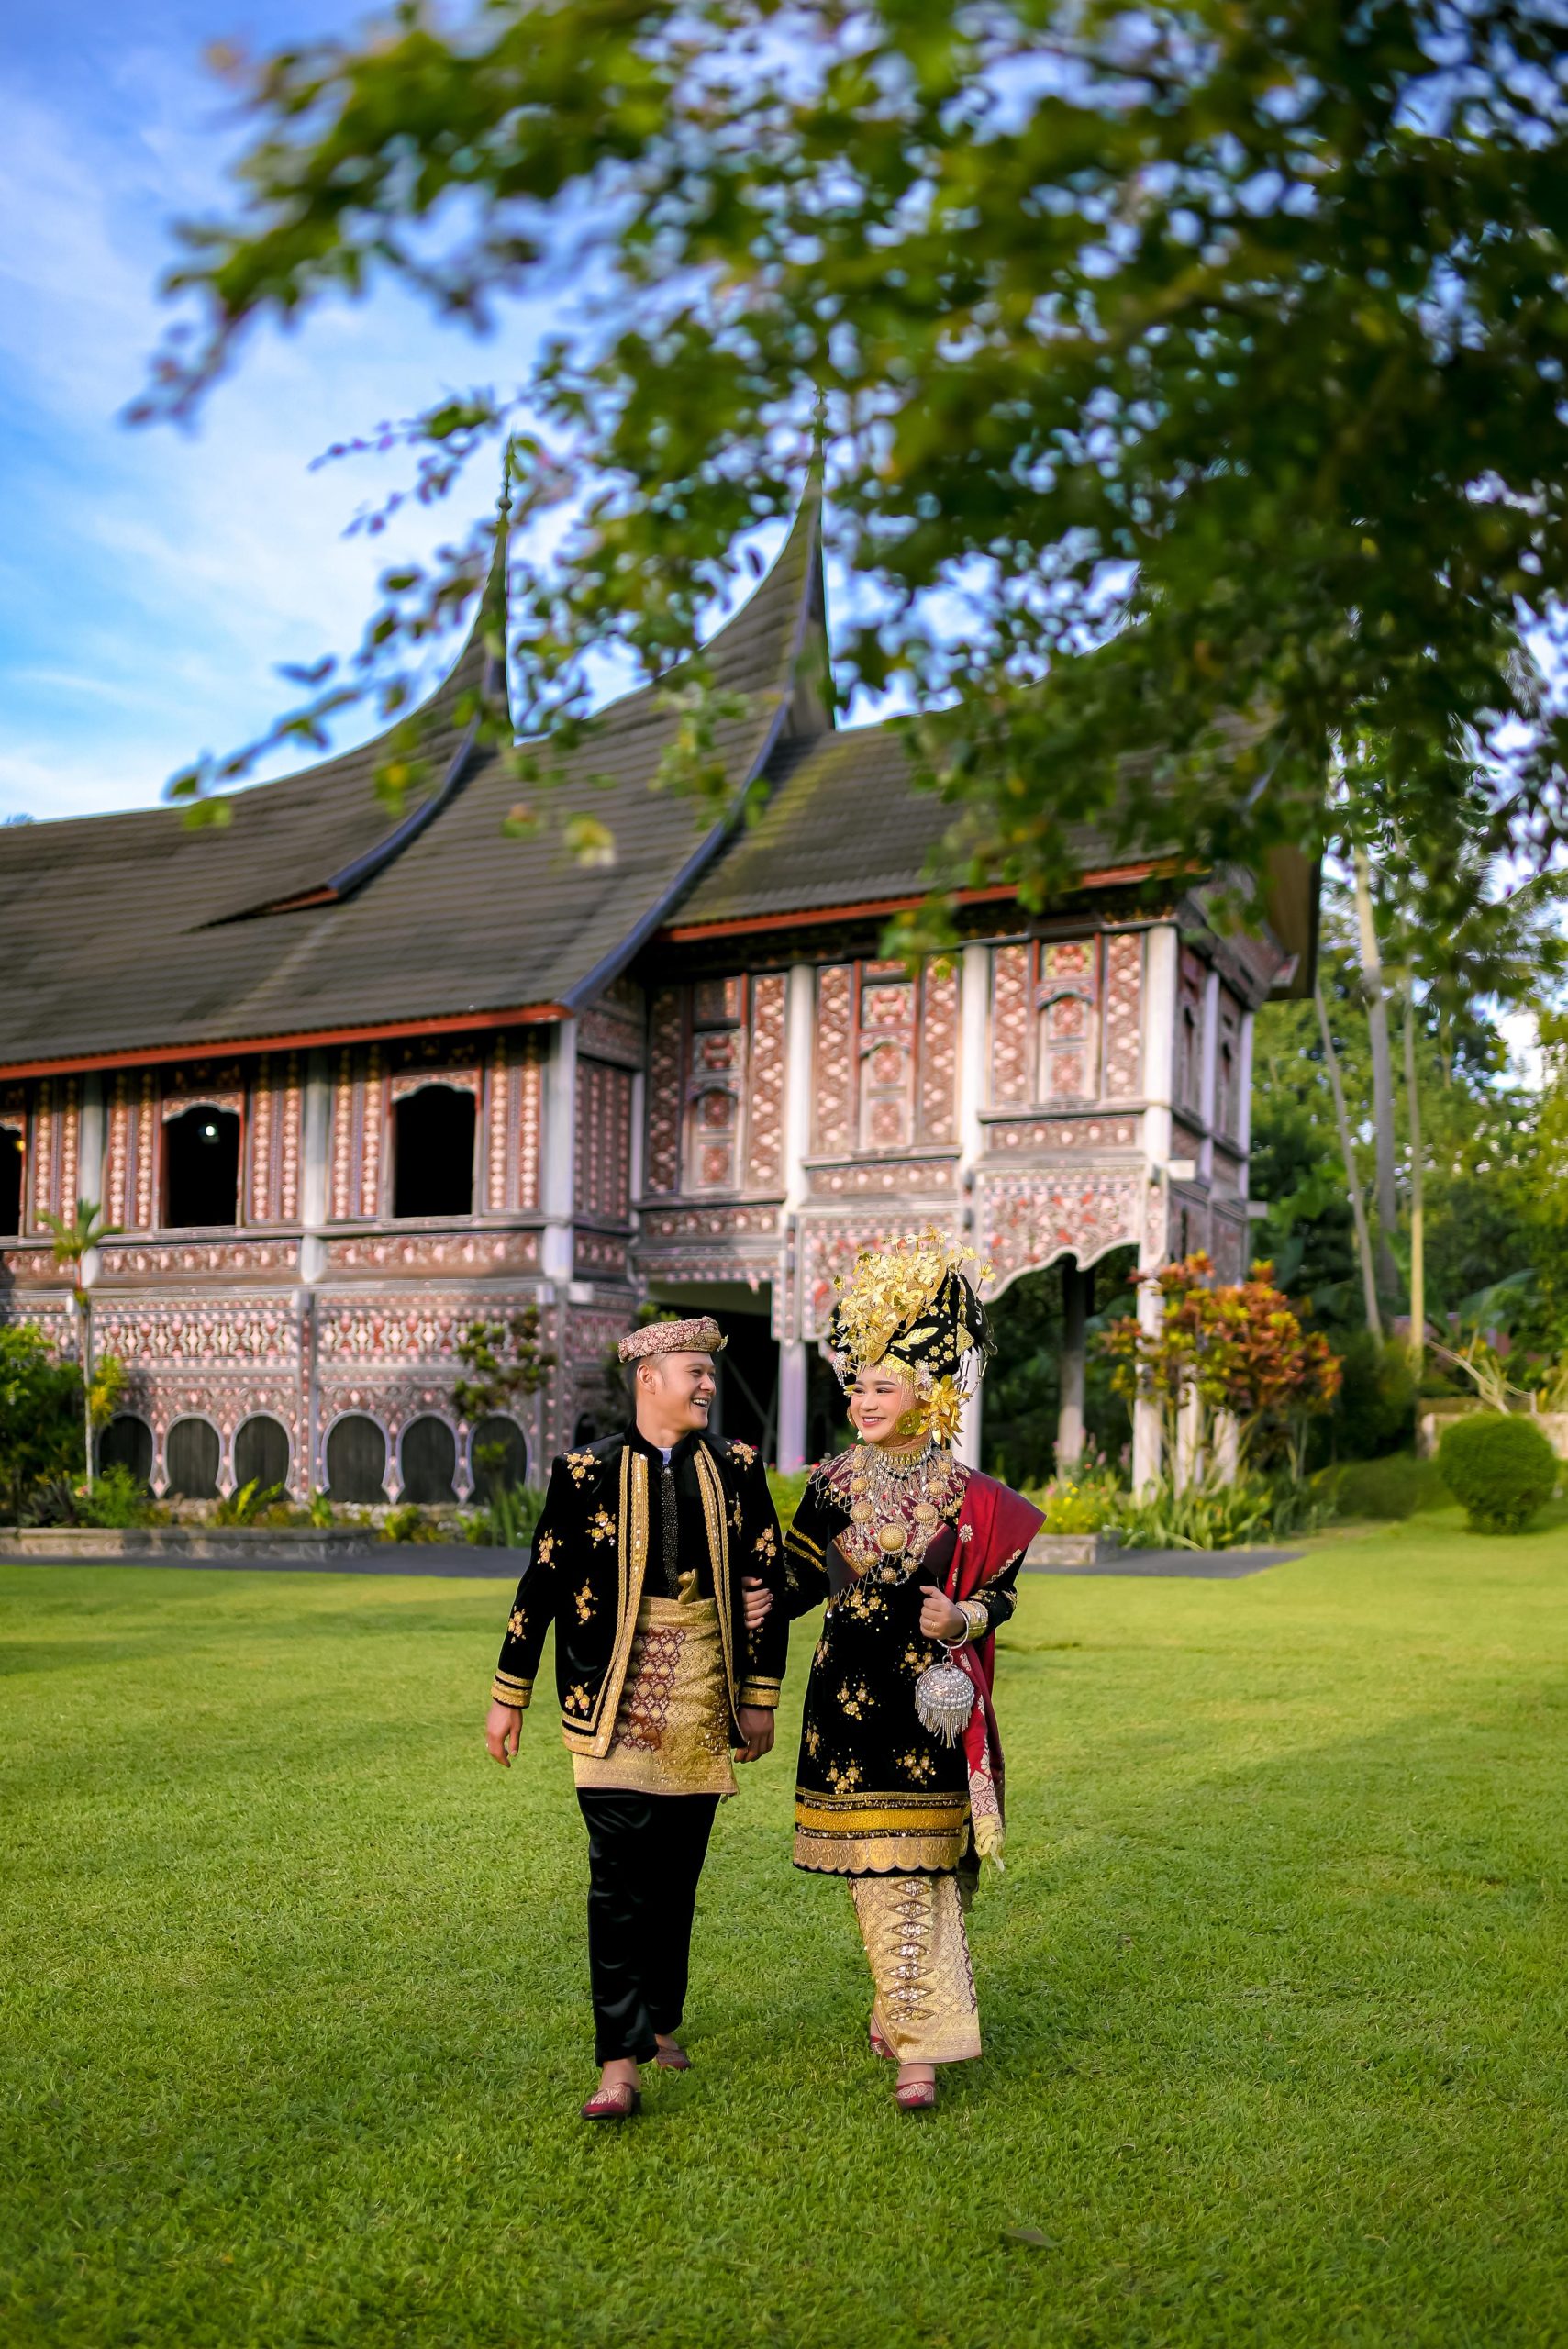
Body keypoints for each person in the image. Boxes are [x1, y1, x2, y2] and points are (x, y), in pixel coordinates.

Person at [484, 1316, 787, 2120]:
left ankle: (659, 2020)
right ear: (648, 1379)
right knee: (617, 1880)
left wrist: (758, 1696)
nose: (708, 1384)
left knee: (676, 1876)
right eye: (695, 1371)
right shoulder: (584, 1472)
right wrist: (508, 1694)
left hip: (702, 1693)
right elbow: (541, 1582)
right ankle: (618, 2062)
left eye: (711, 1373)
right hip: (609, 1696)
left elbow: (770, 1578)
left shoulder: (737, 1467)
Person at [779, 1230, 1045, 2110]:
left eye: (881, 1386)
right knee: (881, 1871)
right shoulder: (829, 1485)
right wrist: (744, 1599)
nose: (862, 1400)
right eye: (856, 1385)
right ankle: (909, 2024)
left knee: (928, 1870)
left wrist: (959, 1617)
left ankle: (915, 2043)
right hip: (845, 1711)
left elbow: (1000, 1596)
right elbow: (794, 1582)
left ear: (927, 1395)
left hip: (930, 1708)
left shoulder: (972, 1498)